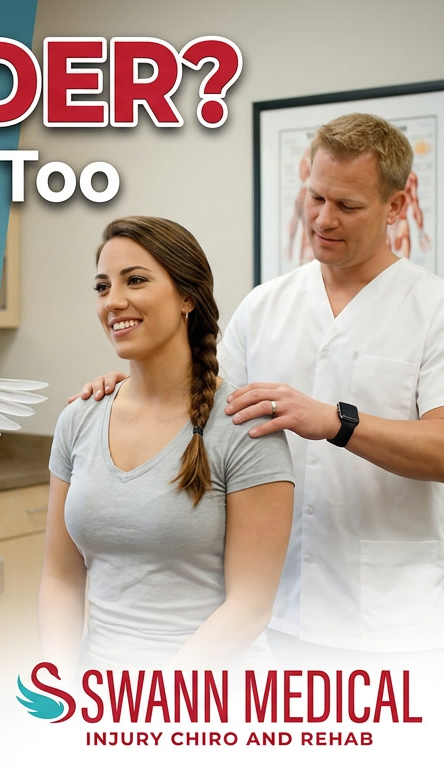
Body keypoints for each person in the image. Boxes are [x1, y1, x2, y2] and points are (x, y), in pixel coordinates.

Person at [73, 114, 444, 659]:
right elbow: (197, 403)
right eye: (315, 196)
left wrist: (339, 423)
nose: (323, 218)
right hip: (266, 613)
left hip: (390, 621)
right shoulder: (266, 304)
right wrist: (130, 387)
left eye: (348, 205)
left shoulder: (431, 308)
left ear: (395, 205)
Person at [40, 216, 294, 673]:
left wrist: (151, 700)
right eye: (102, 287)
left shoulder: (244, 426)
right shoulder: (78, 418)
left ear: (187, 298)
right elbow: (60, 578)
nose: (113, 301)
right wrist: (59, 685)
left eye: (135, 280)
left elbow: (250, 606)